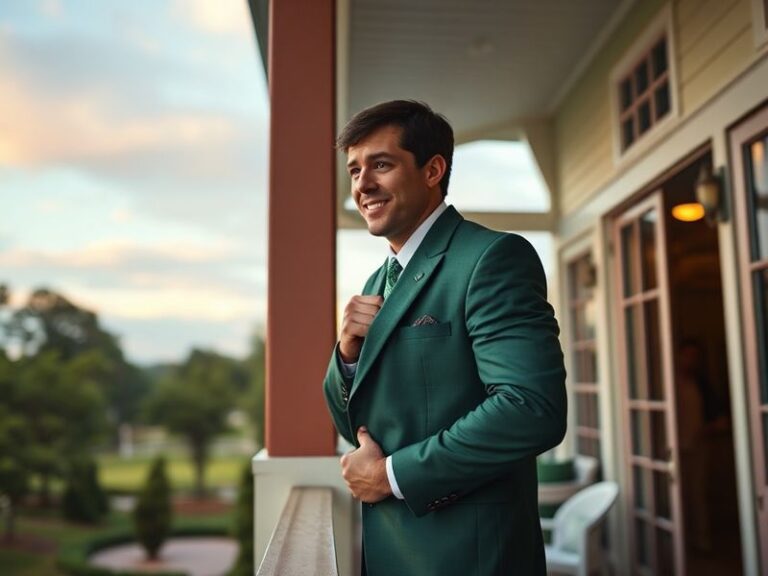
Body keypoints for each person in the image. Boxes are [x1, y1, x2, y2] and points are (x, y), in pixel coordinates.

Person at [323, 100, 567, 576]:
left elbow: (531, 408)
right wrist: (347, 356)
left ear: (433, 169)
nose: (362, 185)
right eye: (354, 170)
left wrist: (392, 476)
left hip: (469, 557)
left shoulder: (492, 258)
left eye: (381, 165)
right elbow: (351, 421)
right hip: (392, 553)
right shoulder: (377, 282)